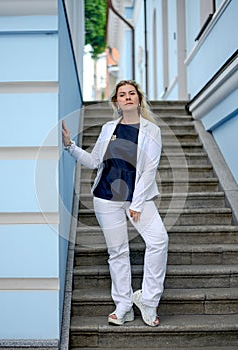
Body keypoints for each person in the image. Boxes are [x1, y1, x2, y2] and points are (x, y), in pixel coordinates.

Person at [62, 80, 168, 327]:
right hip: (105, 198)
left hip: (136, 197)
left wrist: (138, 203)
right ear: (116, 102)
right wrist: (70, 146)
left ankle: (148, 300)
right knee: (117, 251)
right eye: (123, 94)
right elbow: (95, 160)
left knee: (159, 240)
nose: (128, 97)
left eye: (132, 93)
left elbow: (150, 169)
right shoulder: (109, 128)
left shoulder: (152, 130)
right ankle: (123, 306)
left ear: (139, 99)